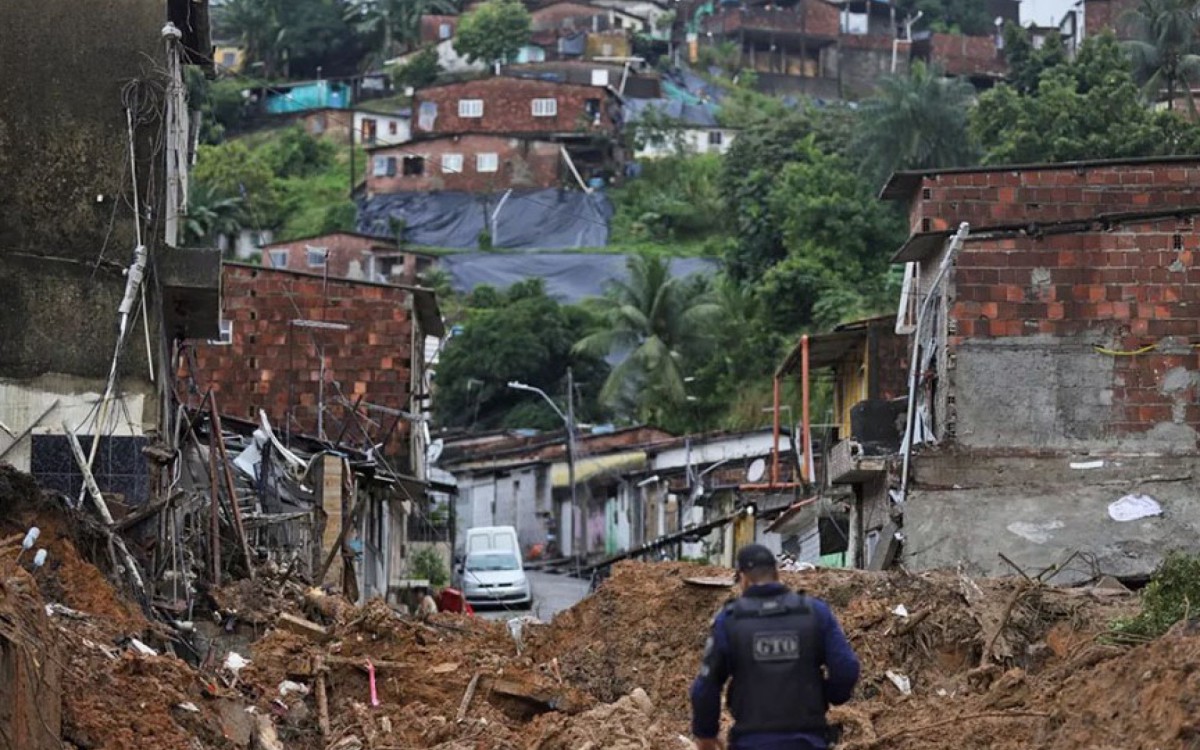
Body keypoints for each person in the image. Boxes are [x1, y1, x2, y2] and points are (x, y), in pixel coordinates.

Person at [690, 544, 860, 750]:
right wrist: (831, 696)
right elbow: (847, 667)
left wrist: (706, 733)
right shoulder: (815, 612)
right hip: (808, 740)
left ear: (743, 578)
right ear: (777, 573)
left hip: (751, 741)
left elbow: (706, 687)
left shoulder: (730, 620)